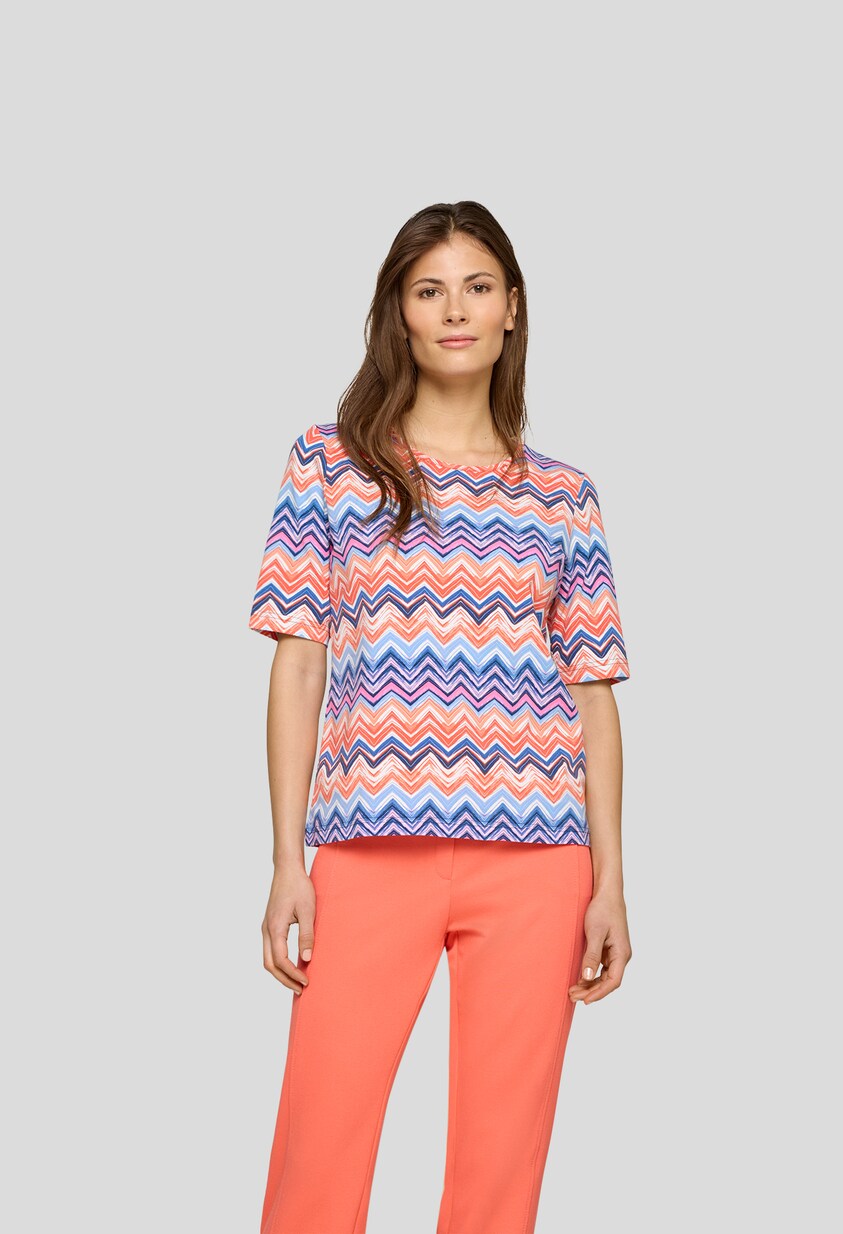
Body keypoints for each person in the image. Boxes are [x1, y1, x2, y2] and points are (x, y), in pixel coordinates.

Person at [248, 200, 632, 1234]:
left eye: (476, 287)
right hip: (368, 850)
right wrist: (287, 859)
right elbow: (297, 666)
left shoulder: (564, 497)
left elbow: (593, 697)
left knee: (501, 1171)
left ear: (513, 308)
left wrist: (610, 881)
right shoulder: (330, 465)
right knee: (319, 1149)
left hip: (539, 862)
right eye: (430, 290)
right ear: (400, 313)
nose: (455, 310)